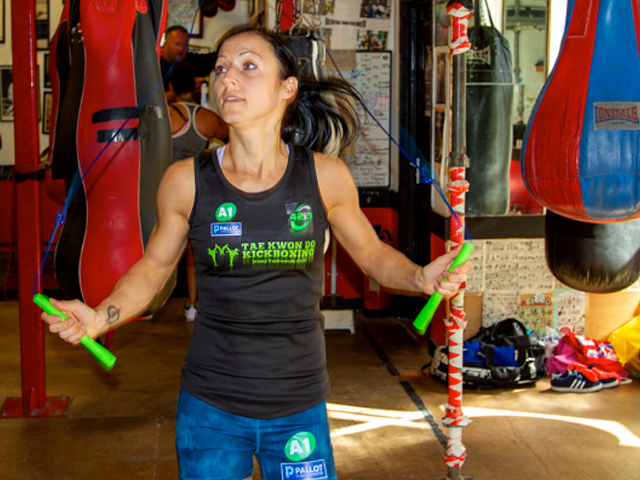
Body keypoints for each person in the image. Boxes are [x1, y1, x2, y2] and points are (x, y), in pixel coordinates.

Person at [42, 25, 473, 480]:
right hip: (210, 405)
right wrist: (101, 316)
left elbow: (373, 256)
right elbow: (154, 268)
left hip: (298, 402)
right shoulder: (185, 180)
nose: (227, 78)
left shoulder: (325, 177)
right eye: (221, 68)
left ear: (287, 88)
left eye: (248, 66)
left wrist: (420, 278)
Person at [168, 62, 229, 321]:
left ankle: (149, 304)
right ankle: (192, 304)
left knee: (161, 245)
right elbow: (235, 142)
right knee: (194, 249)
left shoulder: (165, 114)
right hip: (197, 189)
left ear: (171, 85)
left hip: (168, 189)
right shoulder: (208, 118)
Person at [161, 25, 217, 103]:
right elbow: (151, 102)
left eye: (185, 45)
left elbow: (217, 56)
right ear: (165, 43)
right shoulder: (154, 66)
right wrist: (187, 86)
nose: (181, 49)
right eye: (177, 44)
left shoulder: (191, 61)